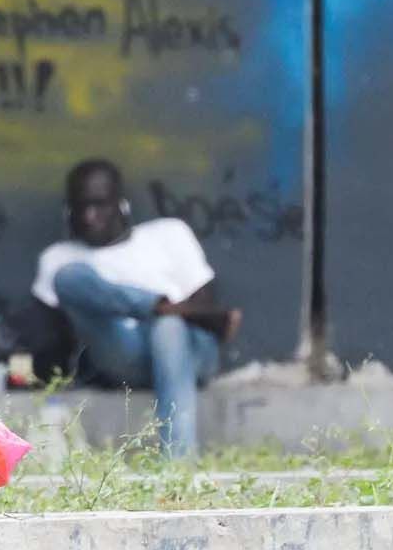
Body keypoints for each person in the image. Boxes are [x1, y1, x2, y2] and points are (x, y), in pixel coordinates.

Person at [31, 159, 240, 458]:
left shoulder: (169, 234)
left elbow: (203, 307)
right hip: (123, 355)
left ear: (122, 205)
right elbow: (51, 339)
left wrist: (163, 317)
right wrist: (151, 306)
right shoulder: (59, 256)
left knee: (167, 326)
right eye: (81, 207)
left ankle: (178, 462)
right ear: (68, 212)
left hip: (188, 355)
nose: (90, 216)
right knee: (67, 276)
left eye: (100, 205)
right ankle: (157, 305)